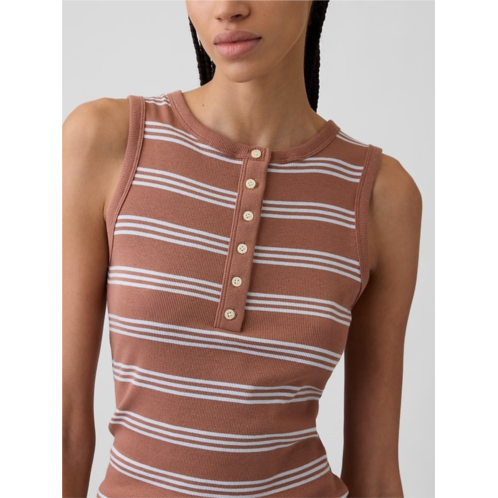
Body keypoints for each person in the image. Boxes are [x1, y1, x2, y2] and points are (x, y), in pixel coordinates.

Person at [62, 1, 423, 497]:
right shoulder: (108, 143)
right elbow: (66, 425)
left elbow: (376, 476)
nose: (228, 8)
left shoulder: (381, 196)